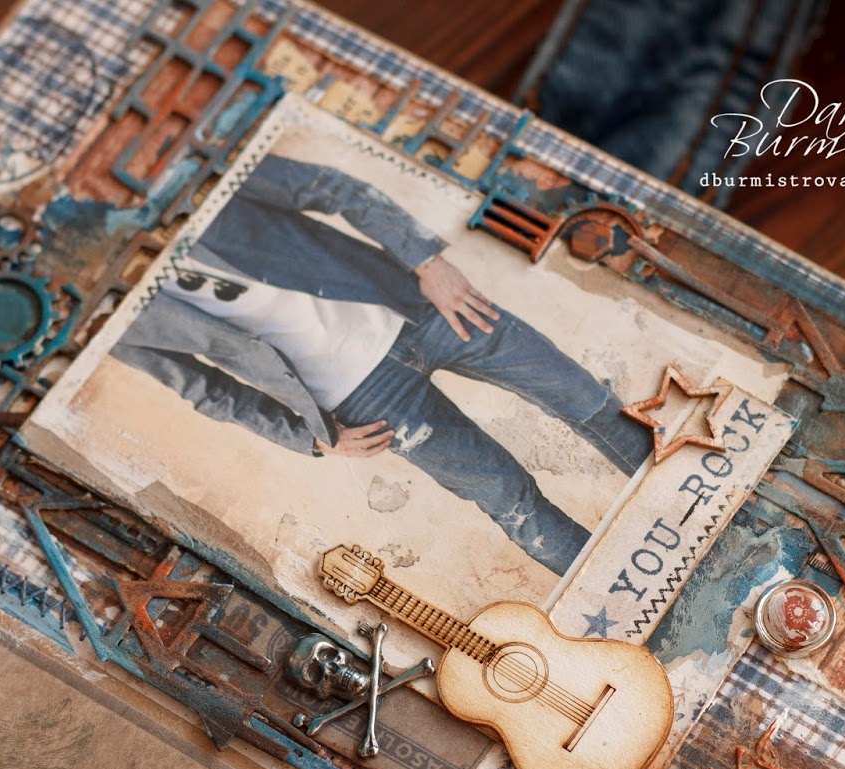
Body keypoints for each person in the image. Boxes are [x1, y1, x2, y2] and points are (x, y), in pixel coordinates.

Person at [111, 152, 650, 574]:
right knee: (511, 500)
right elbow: (205, 390)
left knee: (584, 398)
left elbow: (332, 188)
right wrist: (308, 438)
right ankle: (635, 610)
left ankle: (699, 500)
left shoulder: (188, 172)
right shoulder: (112, 316)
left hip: (421, 308)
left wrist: (427, 262)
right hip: (363, 398)